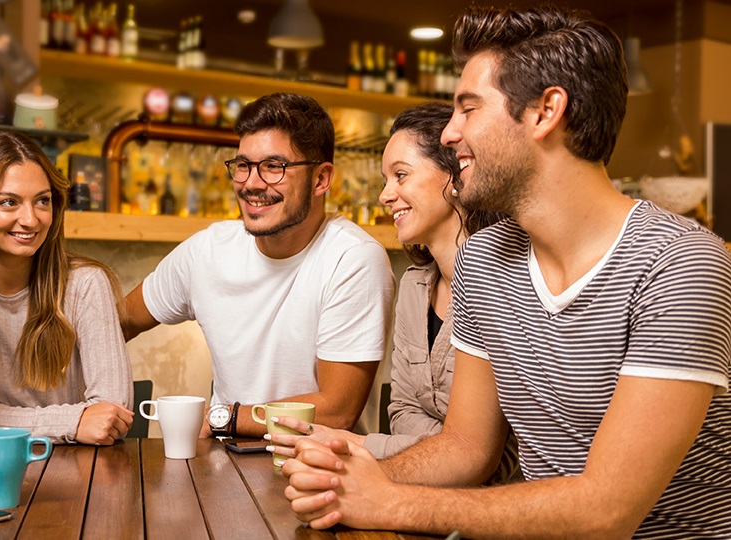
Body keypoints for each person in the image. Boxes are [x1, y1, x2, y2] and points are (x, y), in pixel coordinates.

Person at [282, 6, 731, 538]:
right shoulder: (488, 258)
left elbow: (607, 511)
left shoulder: (680, 263)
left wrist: (391, 503)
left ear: (545, 111)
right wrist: (347, 481)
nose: (449, 134)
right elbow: (466, 449)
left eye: (468, 109)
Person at [266, 102, 517, 483]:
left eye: (400, 175)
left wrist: (358, 445)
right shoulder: (416, 287)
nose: (385, 195)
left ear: (455, 175)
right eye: (386, 179)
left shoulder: (503, 285)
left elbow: (494, 461)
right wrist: (444, 446)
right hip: (420, 492)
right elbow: (400, 412)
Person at [123, 93, 395, 439]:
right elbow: (121, 319)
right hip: (219, 466)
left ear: (321, 179)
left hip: (316, 473)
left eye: (273, 166)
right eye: (243, 165)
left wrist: (222, 418)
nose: (251, 183)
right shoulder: (208, 249)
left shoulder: (353, 259)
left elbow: (336, 410)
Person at [0, 131, 133, 445]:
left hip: (82, 475)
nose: (30, 219)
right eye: (8, 202)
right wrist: (72, 421)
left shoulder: (85, 284)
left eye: (42, 201)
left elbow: (111, 415)